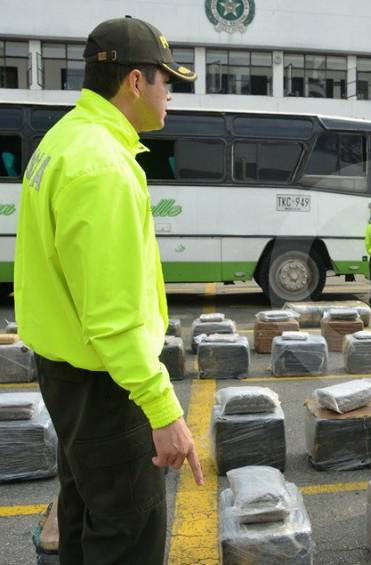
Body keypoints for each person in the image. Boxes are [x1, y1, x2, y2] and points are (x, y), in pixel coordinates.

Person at [14, 16, 203, 564]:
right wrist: (164, 411)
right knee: (126, 533)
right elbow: (113, 315)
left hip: (65, 371)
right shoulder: (104, 167)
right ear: (135, 83)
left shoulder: (64, 139)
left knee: (82, 516)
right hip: (105, 383)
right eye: (167, 80)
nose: (170, 94)